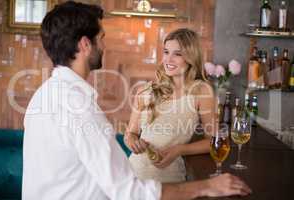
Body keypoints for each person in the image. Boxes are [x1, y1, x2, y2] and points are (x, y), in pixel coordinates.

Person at [22, 1, 251, 200]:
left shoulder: (44, 95)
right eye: (101, 38)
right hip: (140, 180)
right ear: (85, 44)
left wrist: (179, 150)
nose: (105, 45)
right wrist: (207, 186)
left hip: (161, 177)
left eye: (177, 53)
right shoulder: (78, 108)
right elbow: (128, 191)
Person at [125, 28, 217, 183]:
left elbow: (214, 141)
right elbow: (131, 133)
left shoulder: (201, 91)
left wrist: (180, 150)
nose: (169, 59)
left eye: (177, 54)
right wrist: (134, 142)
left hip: (170, 179)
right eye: (166, 52)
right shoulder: (145, 90)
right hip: (133, 175)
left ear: (191, 57)